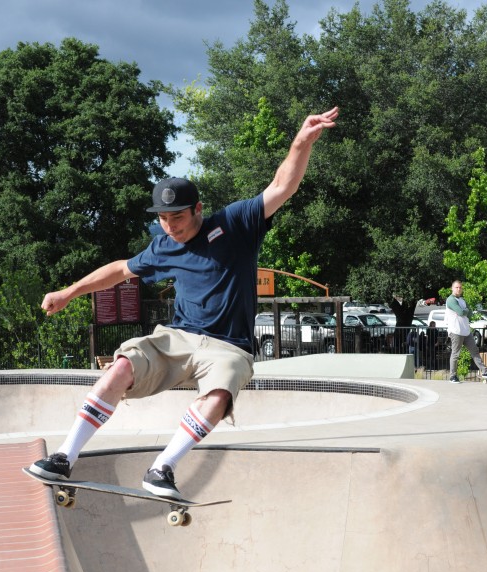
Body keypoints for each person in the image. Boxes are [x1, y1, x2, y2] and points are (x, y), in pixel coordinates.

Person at [30, 107, 339, 499]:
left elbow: (282, 186)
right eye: (163, 219)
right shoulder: (162, 245)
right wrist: (68, 292)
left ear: (197, 209)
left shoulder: (234, 224)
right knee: (120, 366)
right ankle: (64, 457)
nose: (170, 227)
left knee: (222, 389)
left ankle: (162, 468)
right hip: (177, 337)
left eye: (177, 217)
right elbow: (120, 270)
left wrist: (301, 142)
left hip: (229, 345)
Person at [444, 279, 487, 383]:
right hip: (456, 331)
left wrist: (465, 311)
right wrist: (465, 311)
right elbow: (461, 312)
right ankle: (452, 376)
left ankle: (485, 372)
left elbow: (470, 313)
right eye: (456, 287)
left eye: (460, 287)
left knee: (475, 351)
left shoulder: (462, 300)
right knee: (455, 354)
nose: (458, 289)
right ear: (452, 288)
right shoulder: (450, 300)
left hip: (466, 331)